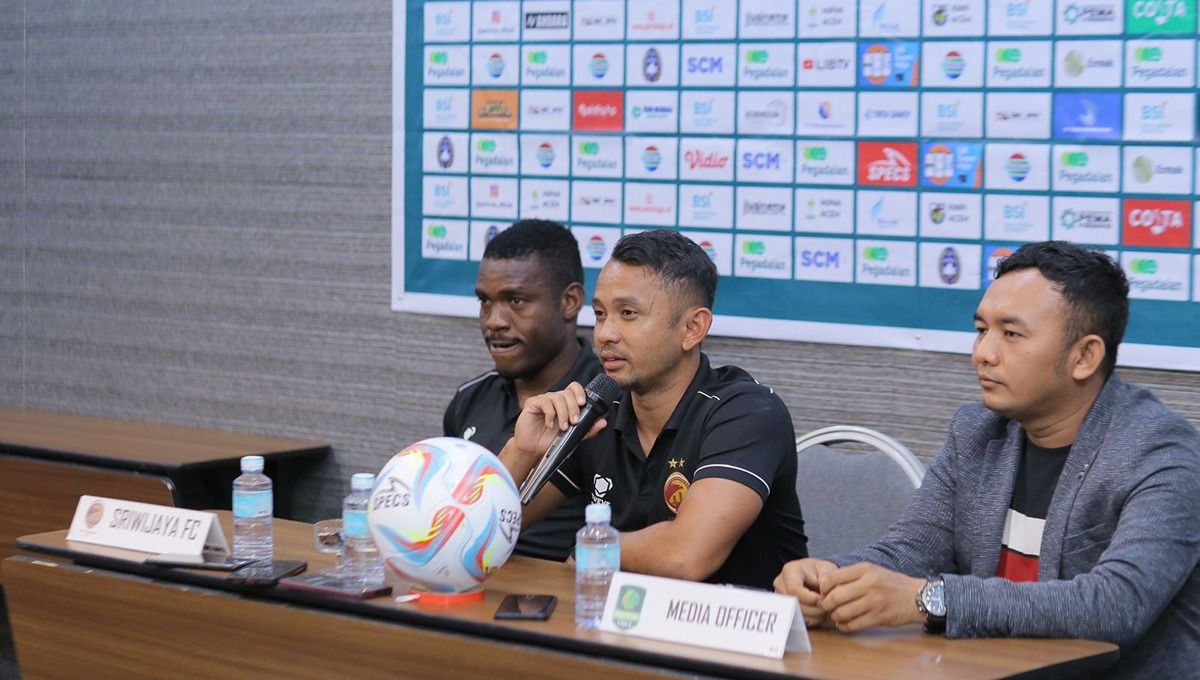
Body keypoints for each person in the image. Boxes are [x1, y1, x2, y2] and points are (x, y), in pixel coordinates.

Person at [775, 241, 1200, 676]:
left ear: (1085, 356)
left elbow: (1115, 605)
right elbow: (910, 551)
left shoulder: (1161, 453)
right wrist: (828, 579)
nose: (983, 353)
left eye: (1011, 334)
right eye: (982, 330)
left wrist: (928, 600)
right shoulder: (977, 432)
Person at [499, 229, 808, 589]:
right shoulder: (598, 411)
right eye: (600, 314)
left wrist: (590, 549)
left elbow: (685, 555)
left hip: (741, 636)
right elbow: (477, 530)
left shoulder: (747, 412)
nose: (605, 334)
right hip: (624, 627)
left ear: (693, 328)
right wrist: (521, 450)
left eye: (628, 313)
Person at [443, 219, 601, 561]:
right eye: (485, 302)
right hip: (464, 577)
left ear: (570, 301)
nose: (494, 321)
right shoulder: (469, 399)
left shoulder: (605, 404)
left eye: (515, 301)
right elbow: (448, 522)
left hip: (563, 600)